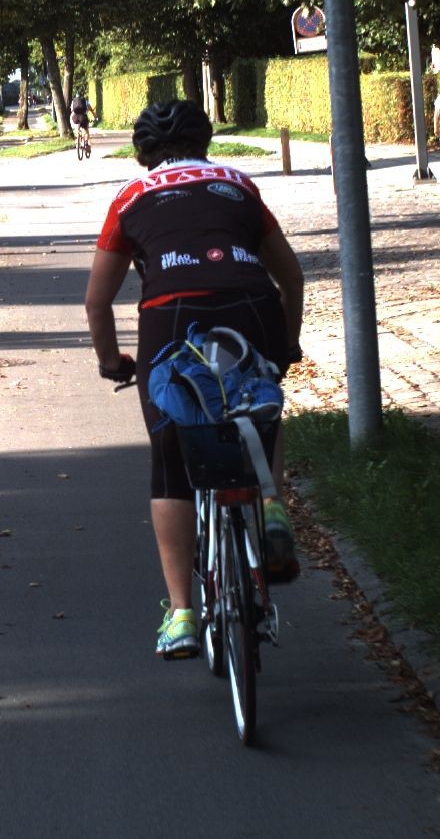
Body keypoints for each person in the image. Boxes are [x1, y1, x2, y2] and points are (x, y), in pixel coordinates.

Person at [84, 100, 306, 660]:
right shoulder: (238, 184)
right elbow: (292, 278)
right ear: (205, 142)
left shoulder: (129, 198)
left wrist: (112, 361)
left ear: (143, 153)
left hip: (171, 314)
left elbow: (97, 302)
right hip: (251, 306)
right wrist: (285, 347)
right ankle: (272, 506)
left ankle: (183, 614)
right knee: (259, 400)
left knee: (171, 458)